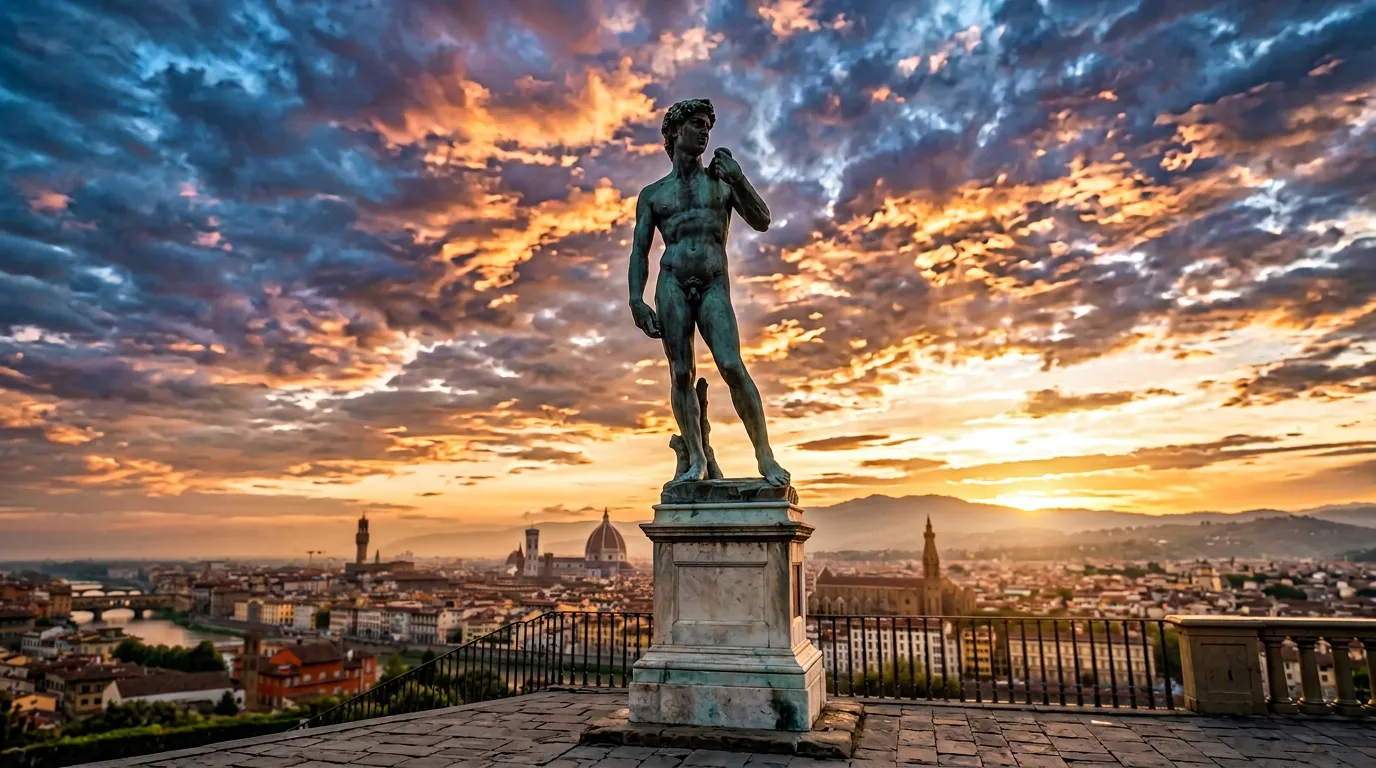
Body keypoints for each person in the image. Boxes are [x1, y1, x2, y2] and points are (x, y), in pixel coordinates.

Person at [627, 98, 790, 487]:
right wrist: (636, 300)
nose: (705, 131)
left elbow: (762, 220)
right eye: (697, 124)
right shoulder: (654, 194)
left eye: (708, 126)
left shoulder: (721, 181)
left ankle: (765, 456)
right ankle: (697, 459)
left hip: (713, 281)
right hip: (672, 282)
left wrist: (739, 178)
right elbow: (639, 250)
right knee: (681, 373)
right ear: (675, 132)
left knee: (731, 365)